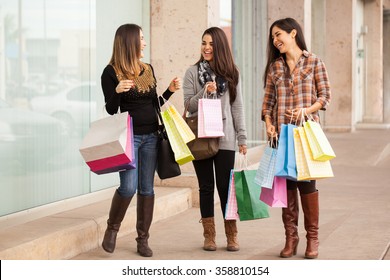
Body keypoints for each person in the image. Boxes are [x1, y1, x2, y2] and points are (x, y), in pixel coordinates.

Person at [101, 23, 180, 257]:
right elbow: (110, 110)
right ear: (130, 42)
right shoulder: (111, 72)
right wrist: (117, 90)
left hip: (152, 137)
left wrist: (169, 91)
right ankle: (112, 229)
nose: (144, 43)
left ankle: (142, 240)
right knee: (127, 187)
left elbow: (153, 103)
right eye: (141, 39)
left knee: (147, 188)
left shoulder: (148, 68)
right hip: (129, 139)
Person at [262, 18, 331, 259]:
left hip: (305, 133)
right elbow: (268, 103)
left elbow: (325, 97)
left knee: (307, 185)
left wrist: (307, 110)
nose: (275, 40)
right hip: (282, 135)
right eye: (273, 37)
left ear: (293, 34)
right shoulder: (275, 68)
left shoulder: (314, 62)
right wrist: (269, 125)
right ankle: (291, 237)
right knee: (288, 185)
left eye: (278, 34)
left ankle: (313, 238)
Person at [183, 27, 247, 252]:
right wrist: (204, 92)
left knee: (225, 187)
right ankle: (209, 236)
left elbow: (236, 107)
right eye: (203, 43)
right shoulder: (192, 73)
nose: (206, 47)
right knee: (206, 186)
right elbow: (188, 106)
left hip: (226, 137)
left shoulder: (231, 73)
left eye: (210, 44)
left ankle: (232, 235)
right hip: (200, 138)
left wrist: (242, 137)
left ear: (219, 46)